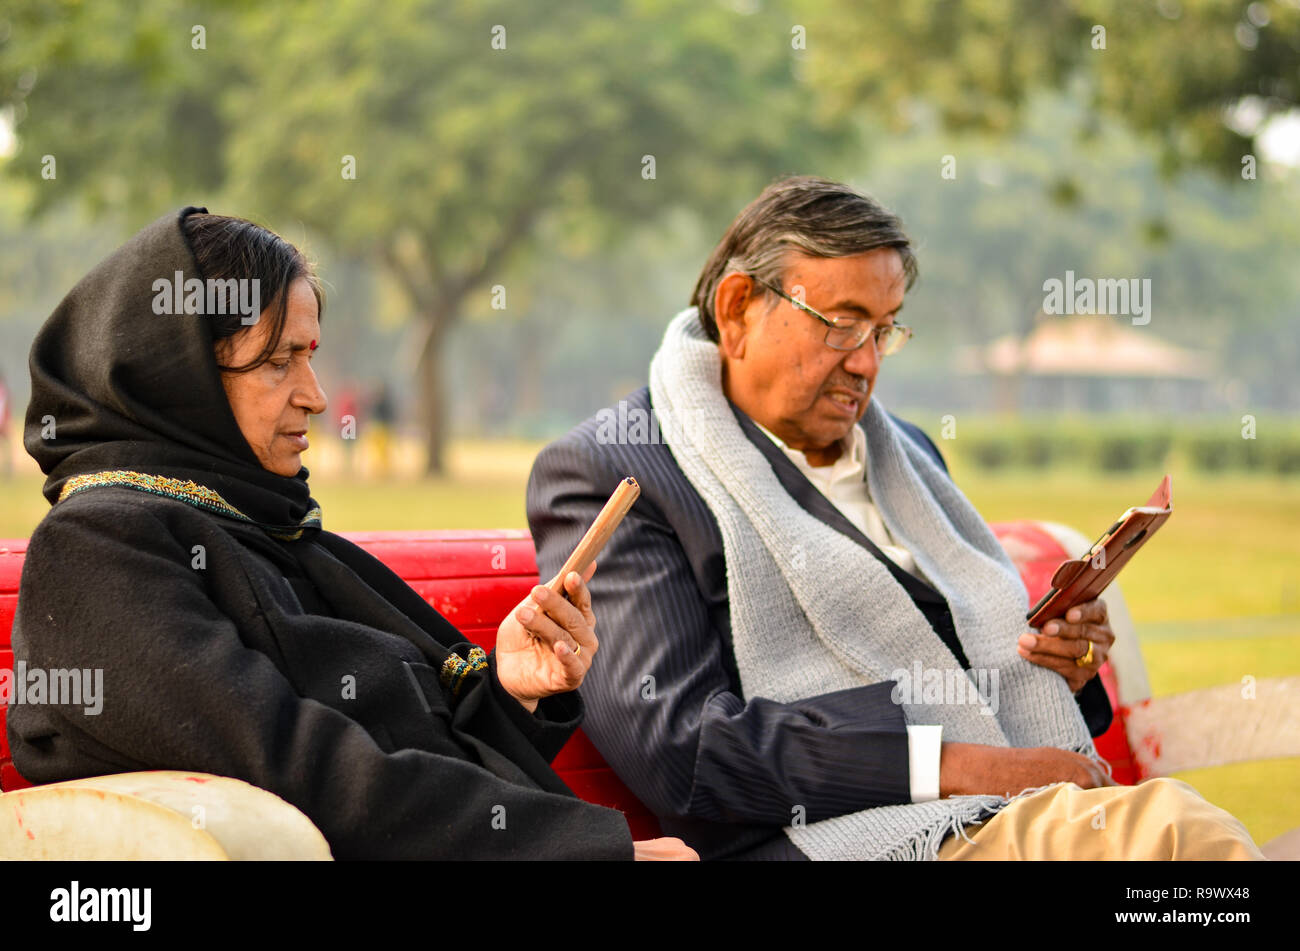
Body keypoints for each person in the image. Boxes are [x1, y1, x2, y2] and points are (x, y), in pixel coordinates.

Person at [527, 176, 1264, 860]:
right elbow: (679, 748)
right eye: (842, 324)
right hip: (844, 841)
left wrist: (1063, 667)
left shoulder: (904, 450)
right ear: (737, 307)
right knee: (1171, 834)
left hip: (1010, 817)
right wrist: (968, 768)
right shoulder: (615, 473)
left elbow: (959, 648)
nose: (868, 363)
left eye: (885, 329)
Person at [7, 206, 695, 861]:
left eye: (310, 355)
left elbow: (392, 759)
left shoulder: (265, 528)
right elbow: (306, 772)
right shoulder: (100, 550)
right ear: (178, 378)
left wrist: (513, 693)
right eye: (278, 361)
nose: (315, 394)